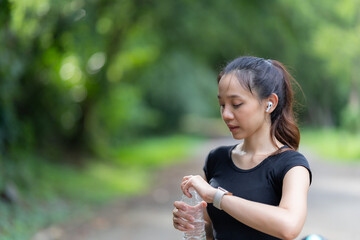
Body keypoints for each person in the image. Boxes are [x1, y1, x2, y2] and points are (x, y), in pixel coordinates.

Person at [172, 56, 312, 240]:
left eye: (236, 104)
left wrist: (216, 197)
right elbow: (211, 231)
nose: (226, 114)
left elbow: (289, 226)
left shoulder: (292, 165)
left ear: (269, 103)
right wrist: (191, 222)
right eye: (222, 105)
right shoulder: (217, 159)